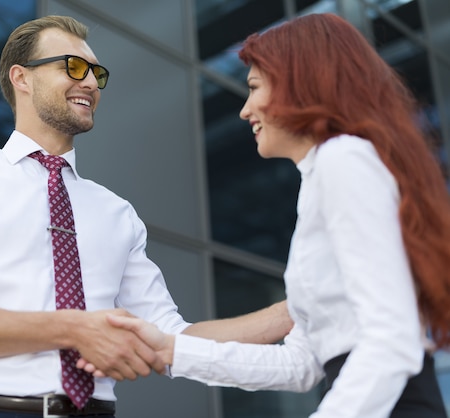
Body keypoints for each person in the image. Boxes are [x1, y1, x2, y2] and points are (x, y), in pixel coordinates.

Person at [0, 15, 292, 418]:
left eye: (96, 73)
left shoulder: (117, 214)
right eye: (74, 67)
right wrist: (74, 328)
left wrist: (300, 309)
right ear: (22, 78)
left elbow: (171, 339)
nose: (89, 83)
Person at [87, 12, 450, 418]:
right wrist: (169, 349)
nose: (244, 110)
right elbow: (300, 366)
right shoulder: (320, 179)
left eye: (255, 88)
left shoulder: (341, 159)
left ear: (301, 84)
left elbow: (392, 339)